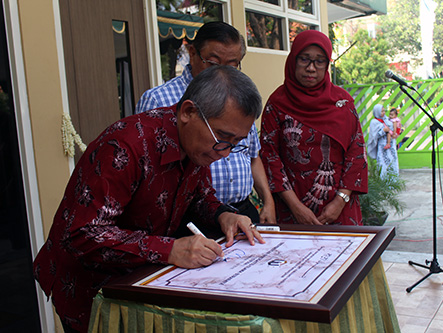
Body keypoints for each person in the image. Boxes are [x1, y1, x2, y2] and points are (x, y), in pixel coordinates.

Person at [33, 66, 265, 333]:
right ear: (188, 112)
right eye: (222, 138)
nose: (225, 153)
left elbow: (199, 198)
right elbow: (83, 234)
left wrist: (224, 215)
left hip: (140, 279)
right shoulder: (124, 146)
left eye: (235, 143)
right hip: (90, 286)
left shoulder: (197, 144)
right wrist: (170, 249)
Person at [136, 21, 275, 225]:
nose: (224, 73)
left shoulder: (241, 101)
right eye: (213, 63)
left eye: (233, 66)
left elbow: (252, 156)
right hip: (190, 218)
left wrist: (268, 201)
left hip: (240, 212)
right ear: (192, 53)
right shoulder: (159, 100)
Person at [259, 30, 368, 226]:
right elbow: (270, 158)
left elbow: (356, 153)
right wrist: (295, 207)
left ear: (327, 65)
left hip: (340, 209)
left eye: (319, 61)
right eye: (304, 59)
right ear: (293, 60)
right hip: (291, 208)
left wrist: (340, 201)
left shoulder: (342, 102)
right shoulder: (277, 104)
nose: (311, 68)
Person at [367, 104, 400, 179]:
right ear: (377, 112)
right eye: (381, 111)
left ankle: (394, 182)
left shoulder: (387, 120)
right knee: (383, 165)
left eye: (384, 111)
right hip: (383, 149)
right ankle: (384, 182)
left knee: (392, 163)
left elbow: (394, 127)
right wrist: (383, 131)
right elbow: (373, 136)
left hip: (391, 147)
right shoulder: (374, 122)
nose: (383, 113)